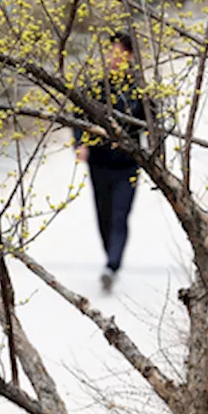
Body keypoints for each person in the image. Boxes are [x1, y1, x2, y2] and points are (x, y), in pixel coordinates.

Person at [73, 32, 148, 294]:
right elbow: (78, 115)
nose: (114, 59)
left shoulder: (141, 90)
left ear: (130, 56)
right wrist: (80, 144)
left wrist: (155, 158)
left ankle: (112, 265)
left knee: (119, 216)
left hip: (128, 164)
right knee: (104, 216)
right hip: (100, 162)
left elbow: (153, 125)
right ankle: (110, 259)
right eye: (111, 53)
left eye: (120, 53)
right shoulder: (97, 87)